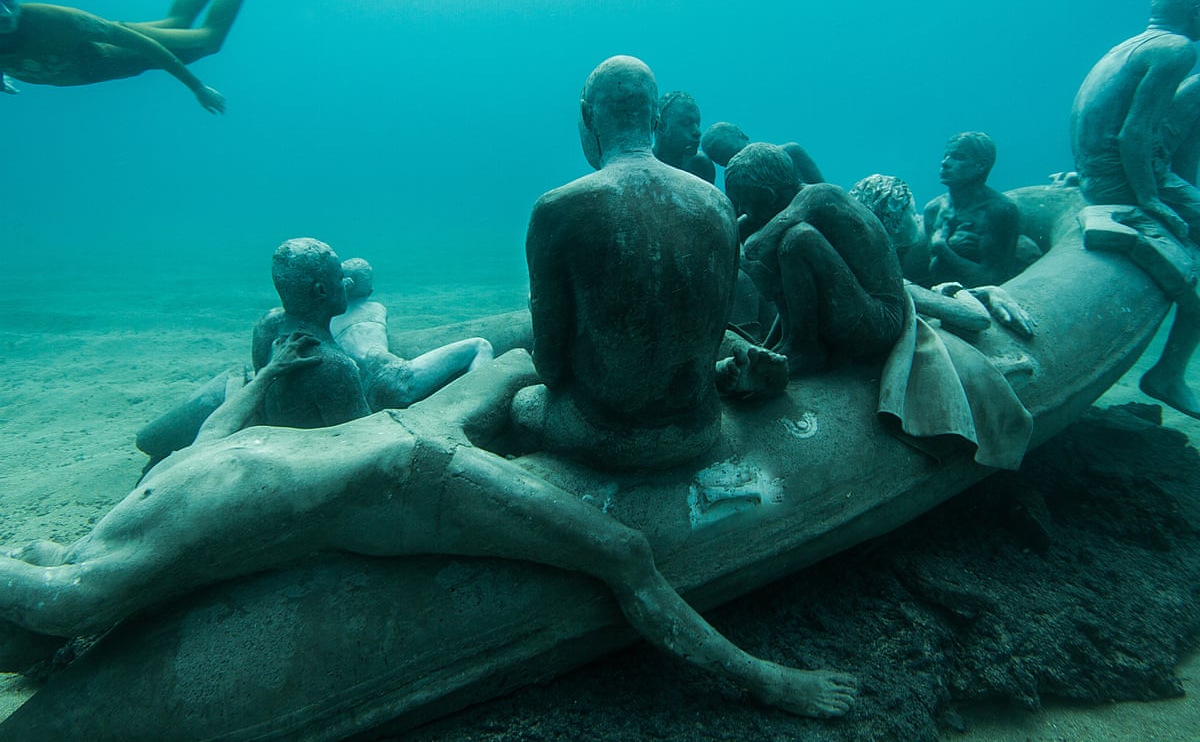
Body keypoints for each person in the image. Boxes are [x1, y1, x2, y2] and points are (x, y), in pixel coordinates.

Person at [0, 346, 855, 719]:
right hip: (407, 464)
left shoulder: (90, 572)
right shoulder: (143, 504)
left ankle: (766, 679)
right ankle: (769, 682)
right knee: (622, 552)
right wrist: (259, 379)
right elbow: (219, 426)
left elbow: (47, 596)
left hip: (407, 459)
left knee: (614, 539)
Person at [511, 56, 784, 470]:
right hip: (700, 427)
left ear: (588, 115)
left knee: (521, 400)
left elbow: (548, 368)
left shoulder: (556, 209)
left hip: (606, 432)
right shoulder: (718, 204)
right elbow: (710, 330)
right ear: (656, 119)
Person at [0, 0, 378, 112]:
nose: (4, 14)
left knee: (207, 40)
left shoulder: (51, 20)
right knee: (177, 18)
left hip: (119, 49)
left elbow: (139, 44)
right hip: (105, 61)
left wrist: (196, 86)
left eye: (6, 1)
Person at [1071, 0, 1200, 417]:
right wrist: (1149, 199)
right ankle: (1168, 372)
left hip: (1094, 173)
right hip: (1119, 182)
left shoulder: (1127, 47)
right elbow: (1134, 133)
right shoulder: (1179, 49)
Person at [726, 144, 905, 375]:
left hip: (879, 322)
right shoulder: (791, 202)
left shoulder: (818, 195)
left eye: (745, 202)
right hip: (858, 310)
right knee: (785, 242)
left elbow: (756, 246)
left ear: (769, 195)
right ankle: (791, 339)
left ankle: (804, 348)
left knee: (797, 239)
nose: (742, 209)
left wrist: (743, 236)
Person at [849, 173, 1036, 338]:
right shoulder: (885, 280)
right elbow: (975, 317)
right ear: (894, 223)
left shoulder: (861, 264)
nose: (919, 218)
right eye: (913, 212)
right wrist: (979, 292)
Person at [331, 257, 495, 410]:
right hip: (395, 377)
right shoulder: (377, 308)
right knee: (481, 345)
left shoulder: (330, 319)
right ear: (370, 289)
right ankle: (475, 406)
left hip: (364, 391)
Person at [249, 238, 370, 429]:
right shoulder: (334, 365)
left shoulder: (266, 325)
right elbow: (362, 439)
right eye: (340, 278)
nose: (346, 284)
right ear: (321, 290)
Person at [923, 132, 1021, 287]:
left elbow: (994, 279)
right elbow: (935, 272)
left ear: (981, 166)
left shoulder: (1000, 211)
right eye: (946, 155)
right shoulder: (933, 209)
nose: (945, 163)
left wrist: (942, 247)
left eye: (958, 157)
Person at [701, 121, 824, 185]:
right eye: (728, 161)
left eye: (737, 152)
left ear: (743, 136)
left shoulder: (791, 151)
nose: (740, 160)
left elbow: (823, 189)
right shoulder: (736, 182)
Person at [653, 90, 717, 182]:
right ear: (661, 127)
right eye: (686, 123)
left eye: (697, 123)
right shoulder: (640, 165)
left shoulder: (701, 166)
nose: (698, 132)